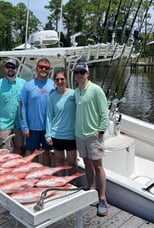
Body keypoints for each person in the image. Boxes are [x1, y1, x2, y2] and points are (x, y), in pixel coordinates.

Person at [73, 62, 109, 217]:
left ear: (88, 74)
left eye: (82, 72)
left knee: (98, 166)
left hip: (93, 136)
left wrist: (101, 131)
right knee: (86, 162)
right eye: (77, 72)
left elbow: (104, 112)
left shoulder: (96, 90)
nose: (79, 75)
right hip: (80, 135)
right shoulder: (75, 92)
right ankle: (92, 190)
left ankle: (102, 198)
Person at [20, 58, 55, 166]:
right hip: (32, 128)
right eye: (41, 67)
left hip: (48, 128)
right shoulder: (27, 86)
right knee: (33, 153)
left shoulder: (54, 85)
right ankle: (35, 177)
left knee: (46, 152)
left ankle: (46, 176)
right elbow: (22, 107)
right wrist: (24, 127)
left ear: (49, 70)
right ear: (36, 68)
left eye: (46, 67)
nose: (43, 69)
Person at [0, 59, 26, 154]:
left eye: (13, 67)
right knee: (4, 150)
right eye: (8, 67)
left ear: (17, 69)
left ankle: (16, 167)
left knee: (18, 147)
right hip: (4, 123)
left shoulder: (23, 83)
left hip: (19, 123)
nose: (10, 69)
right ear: (4, 68)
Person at [45, 69, 77, 176]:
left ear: (66, 80)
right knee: (60, 162)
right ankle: (62, 183)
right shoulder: (51, 97)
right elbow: (49, 116)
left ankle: (73, 182)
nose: (60, 81)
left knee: (72, 162)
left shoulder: (74, 94)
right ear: (54, 81)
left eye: (62, 79)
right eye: (57, 79)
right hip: (57, 134)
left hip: (71, 135)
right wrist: (48, 135)